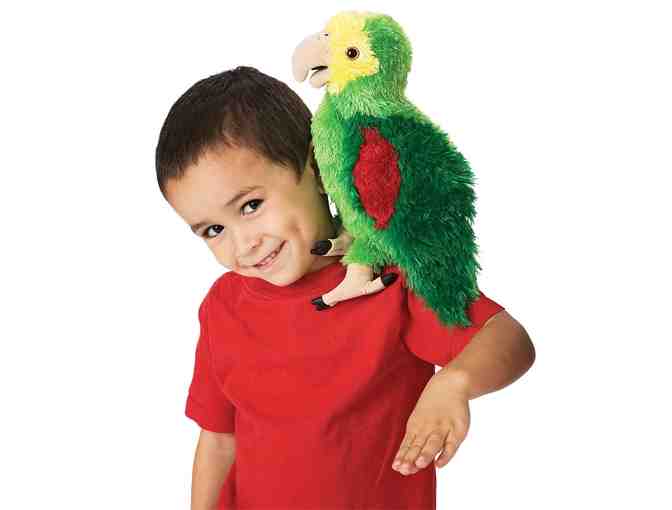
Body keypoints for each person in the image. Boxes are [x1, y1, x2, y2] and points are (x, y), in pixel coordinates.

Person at [155, 66, 535, 510]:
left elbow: (508, 338)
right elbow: (220, 438)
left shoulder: (389, 282)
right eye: (213, 230)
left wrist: (455, 382)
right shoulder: (224, 305)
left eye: (251, 205)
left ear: (317, 168)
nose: (243, 244)